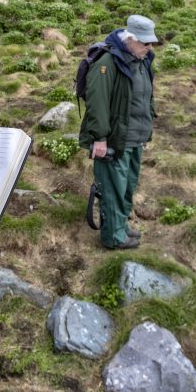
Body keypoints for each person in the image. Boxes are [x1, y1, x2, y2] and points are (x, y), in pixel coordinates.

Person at [78, 14, 157, 250]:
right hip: (113, 141)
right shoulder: (108, 63)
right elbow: (98, 104)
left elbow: (146, 98)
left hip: (134, 138)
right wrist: (99, 139)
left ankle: (120, 228)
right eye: (145, 43)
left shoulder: (140, 60)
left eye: (151, 43)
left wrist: (146, 131)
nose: (150, 47)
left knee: (127, 187)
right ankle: (113, 237)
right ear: (130, 39)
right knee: (112, 189)